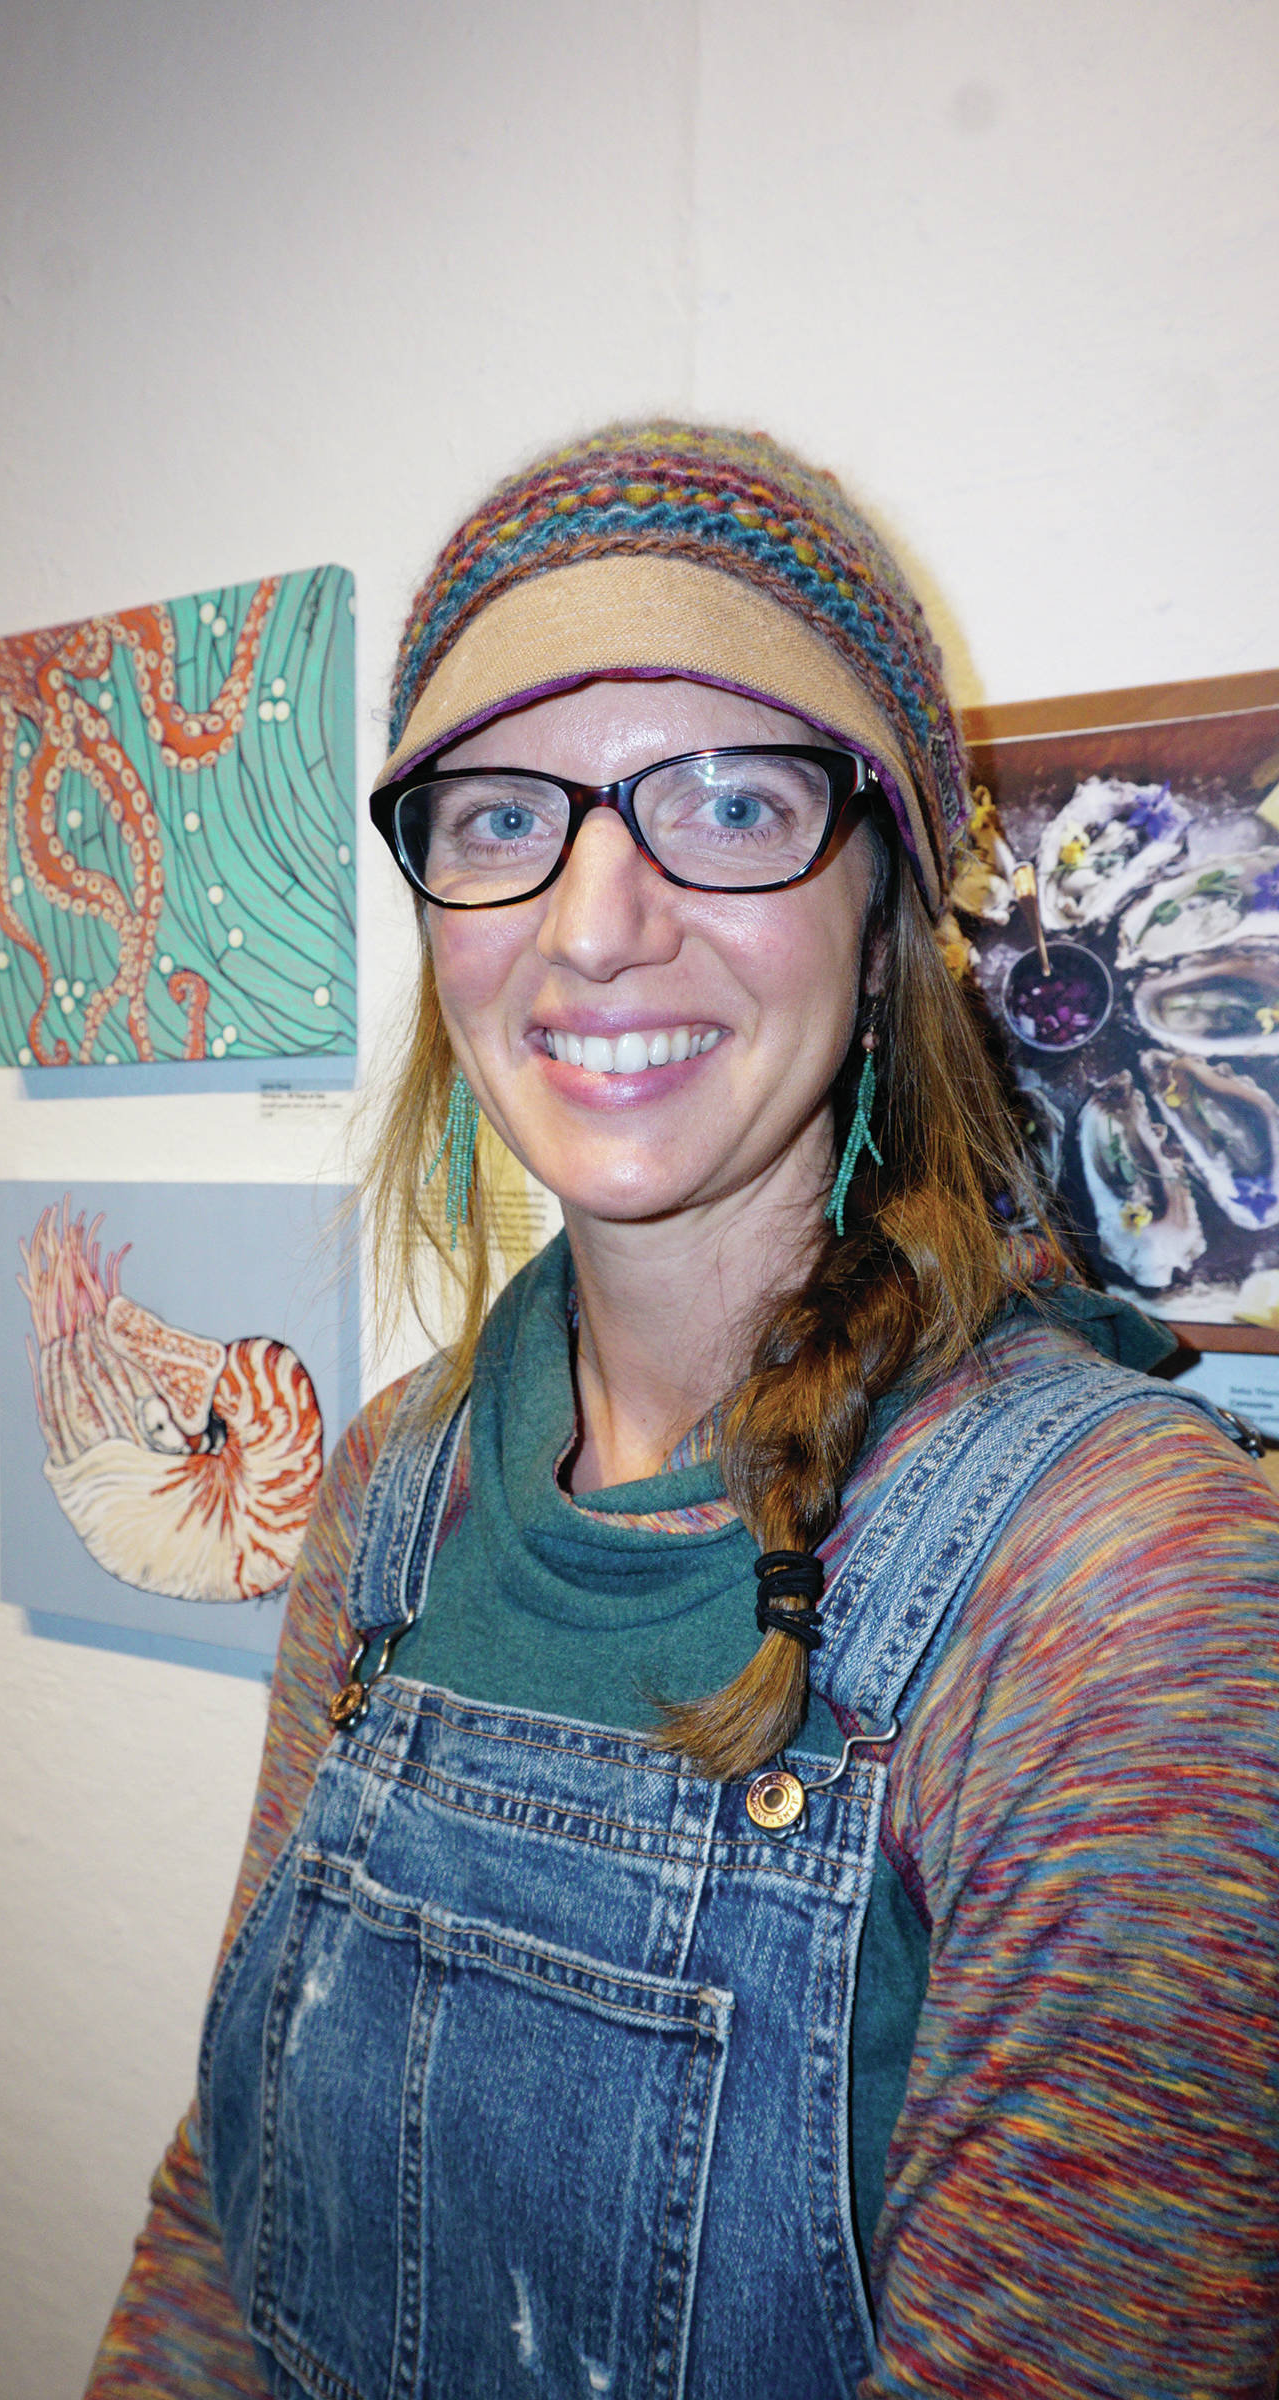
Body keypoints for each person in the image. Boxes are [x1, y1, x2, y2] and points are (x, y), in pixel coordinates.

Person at [86, 424, 1279, 2399]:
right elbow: (222, 2223)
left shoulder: (1131, 1592)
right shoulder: (394, 1482)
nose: (591, 919)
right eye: (496, 815)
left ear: (882, 888)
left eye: (723, 798)